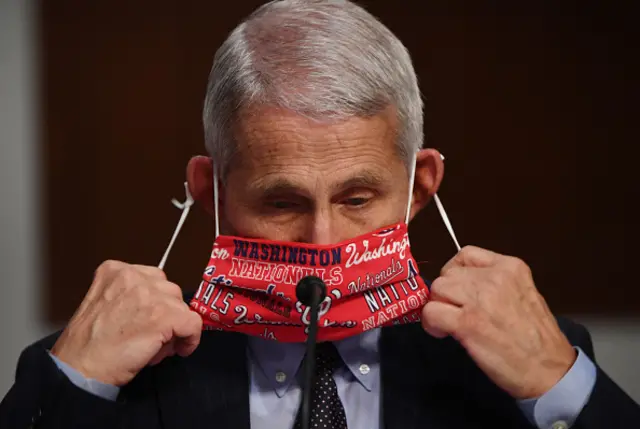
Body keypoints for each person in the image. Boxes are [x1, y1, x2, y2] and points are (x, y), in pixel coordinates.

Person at [1, 1, 638, 428]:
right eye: (281, 203)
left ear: (419, 190)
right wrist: (74, 384)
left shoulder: (530, 358)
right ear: (208, 191)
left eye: (358, 199)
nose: (323, 244)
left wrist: (562, 386)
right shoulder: (104, 374)